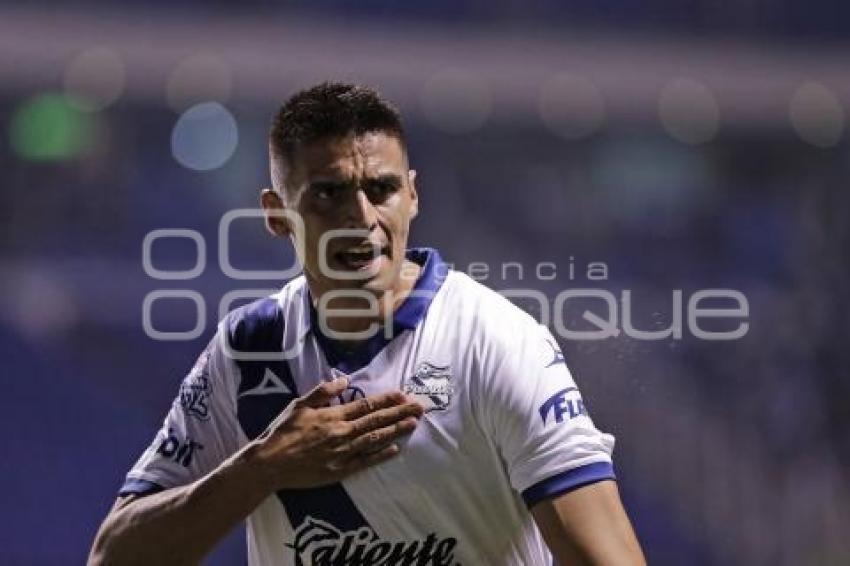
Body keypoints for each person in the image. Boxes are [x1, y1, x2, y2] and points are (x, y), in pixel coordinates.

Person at [89, 82, 646, 565]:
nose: (360, 217)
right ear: (277, 214)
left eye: (380, 189)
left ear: (413, 196)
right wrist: (263, 467)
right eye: (329, 194)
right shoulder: (246, 351)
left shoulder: (498, 341)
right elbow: (112, 556)